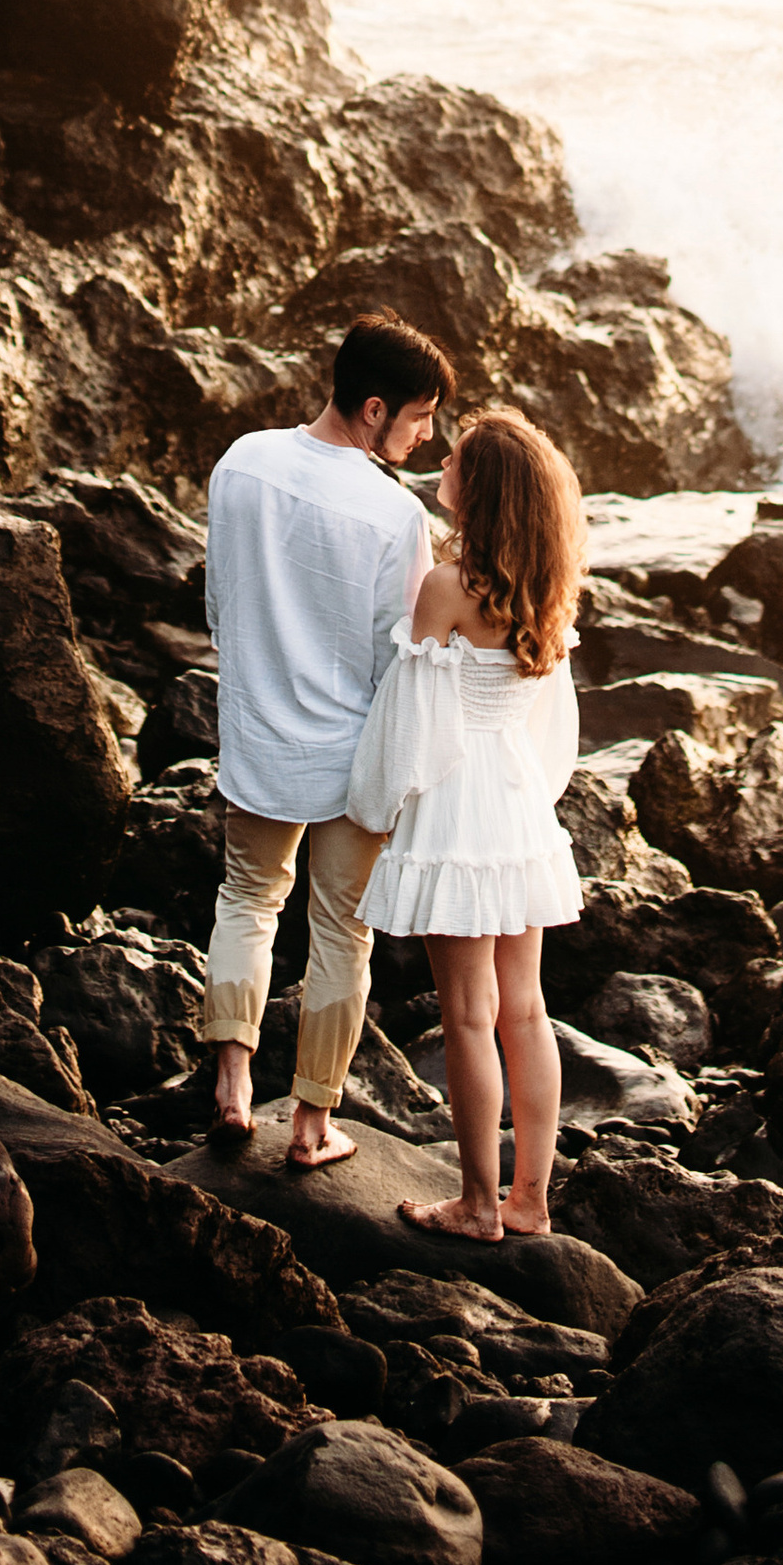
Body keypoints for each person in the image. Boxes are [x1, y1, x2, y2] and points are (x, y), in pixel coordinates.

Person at [202, 314, 456, 1166]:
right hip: (350, 753)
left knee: (247, 898)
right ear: (375, 407)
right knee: (342, 930)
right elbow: (404, 655)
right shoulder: (393, 514)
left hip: (258, 732)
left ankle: (233, 1085)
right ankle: (311, 1125)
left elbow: (220, 600)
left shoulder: (243, 459)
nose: (428, 437)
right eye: (420, 417)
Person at [346, 404, 586, 1240]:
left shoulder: (447, 588)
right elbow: (554, 719)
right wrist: (537, 796)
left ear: (479, 493)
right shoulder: (547, 590)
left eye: (455, 462)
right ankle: (531, 1197)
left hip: (456, 796)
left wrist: (375, 808)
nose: (441, 467)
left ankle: (479, 1204)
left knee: (466, 1015)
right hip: (517, 795)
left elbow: (407, 719)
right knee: (526, 1008)